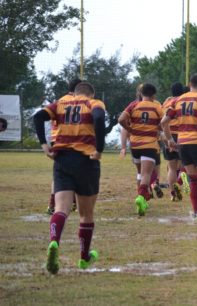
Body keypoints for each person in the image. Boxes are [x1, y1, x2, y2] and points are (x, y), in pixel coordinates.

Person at [33, 81, 105, 274]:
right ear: (90, 93)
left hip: (62, 161)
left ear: (74, 93)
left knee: (61, 209)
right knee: (86, 214)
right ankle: (83, 257)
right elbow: (98, 119)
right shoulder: (93, 103)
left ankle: (54, 241)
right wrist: (99, 150)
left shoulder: (60, 104)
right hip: (86, 162)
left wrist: (44, 146)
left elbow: (38, 117)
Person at [161, 73, 197, 222]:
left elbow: (163, 122)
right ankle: (186, 177)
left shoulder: (178, 100)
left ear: (189, 84)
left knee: (194, 182)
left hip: (183, 143)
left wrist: (169, 139)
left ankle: (196, 212)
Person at [118, 83, 164, 216]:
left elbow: (121, 119)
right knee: (146, 175)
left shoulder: (133, 105)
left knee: (140, 173)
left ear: (141, 93)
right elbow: (162, 123)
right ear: (154, 95)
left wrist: (130, 129)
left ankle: (144, 198)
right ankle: (141, 197)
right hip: (149, 145)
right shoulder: (156, 106)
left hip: (135, 145)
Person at [46, 78, 82, 215]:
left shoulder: (59, 101)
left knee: (60, 173)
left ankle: (52, 204)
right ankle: (76, 203)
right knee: (79, 172)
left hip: (57, 140)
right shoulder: (80, 102)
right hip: (74, 139)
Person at [161, 82, 184, 202]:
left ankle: (172, 193)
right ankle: (179, 183)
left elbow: (162, 120)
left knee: (171, 167)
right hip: (181, 135)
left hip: (168, 134)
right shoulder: (182, 102)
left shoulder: (166, 103)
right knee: (182, 164)